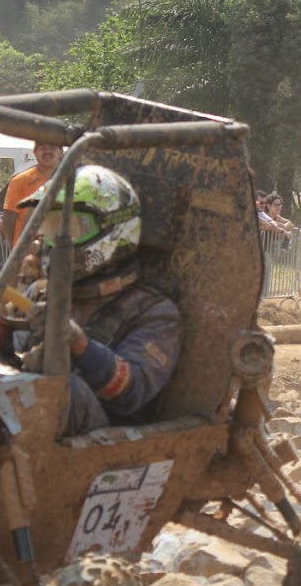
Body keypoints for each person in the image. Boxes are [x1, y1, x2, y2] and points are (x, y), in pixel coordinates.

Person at [18, 165, 181, 435]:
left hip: (105, 440)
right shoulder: (40, 292)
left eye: (71, 228)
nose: (56, 241)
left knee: (66, 389)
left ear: (115, 229)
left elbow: (132, 393)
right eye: (52, 228)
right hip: (27, 429)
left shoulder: (154, 313)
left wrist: (77, 342)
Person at [2, 142, 64, 247]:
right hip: (29, 249)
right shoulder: (19, 181)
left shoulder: (73, 180)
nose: (47, 151)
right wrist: (17, 248)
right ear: (34, 152)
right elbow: (9, 218)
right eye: (42, 148)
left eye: (52, 147)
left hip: (61, 247)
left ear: (61, 152)